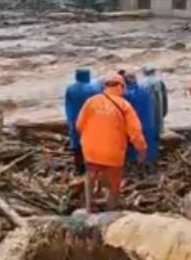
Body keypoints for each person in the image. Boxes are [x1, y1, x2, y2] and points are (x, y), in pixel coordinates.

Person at [76, 74, 146, 212]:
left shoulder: (91, 101)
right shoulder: (124, 106)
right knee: (114, 183)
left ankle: (89, 207)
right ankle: (111, 210)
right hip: (113, 152)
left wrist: (88, 140)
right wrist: (142, 149)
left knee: (90, 176)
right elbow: (135, 132)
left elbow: (79, 125)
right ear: (120, 86)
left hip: (91, 150)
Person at [64, 68, 101, 175]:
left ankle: (78, 169)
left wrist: (69, 118)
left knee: (76, 143)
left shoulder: (71, 88)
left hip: (74, 118)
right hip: (91, 120)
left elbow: (67, 104)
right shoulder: (94, 88)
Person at [124, 71, 158, 166]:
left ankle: (137, 163)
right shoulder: (145, 90)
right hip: (149, 122)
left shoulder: (127, 94)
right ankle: (150, 161)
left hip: (136, 123)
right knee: (149, 142)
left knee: (135, 145)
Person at [141, 65, 168, 138]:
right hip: (158, 110)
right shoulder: (159, 81)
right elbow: (164, 98)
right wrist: (164, 111)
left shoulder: (141, 83)